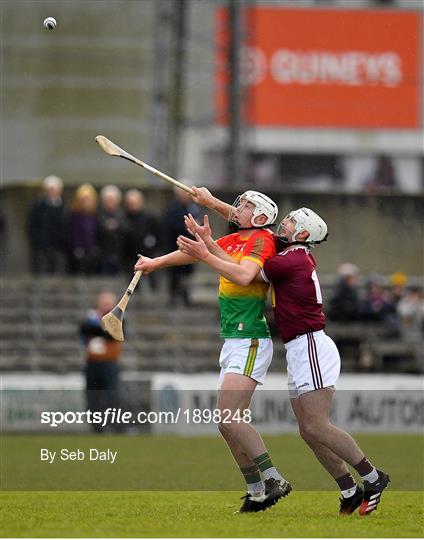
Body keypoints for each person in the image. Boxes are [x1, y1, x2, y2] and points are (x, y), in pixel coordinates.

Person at [178, 206, 390, 516]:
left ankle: (373, 477)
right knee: (308, 430)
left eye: (290, 222)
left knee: (317, 425)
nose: (283, 225)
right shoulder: (292, 256)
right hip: (298, 349)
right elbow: (241, 255)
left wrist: (207, 250)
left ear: (303, 234)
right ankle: (348, 489)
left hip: (311, 347)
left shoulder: (290, 260)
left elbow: (242, 272)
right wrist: (210, 239)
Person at [135, 189, 291, 512]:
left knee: (228, 416)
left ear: (261, 217)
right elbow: (193, 254)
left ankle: (274, 477)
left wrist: (208, 249)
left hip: (250, 338)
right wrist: (156, 262)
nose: (238, 209)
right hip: (232, 339)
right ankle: (257, 490)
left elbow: (245, 275)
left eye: (246, 206)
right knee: (225, 423)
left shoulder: (263, 240)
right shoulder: (234, 239)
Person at [80, 291, 123, 433]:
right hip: (92, 363)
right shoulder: (90, 317)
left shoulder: (119, 318)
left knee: (112, 395)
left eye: (109, 304)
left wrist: (99, 331)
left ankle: (115, 426)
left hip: (110, 363)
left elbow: (112, 336)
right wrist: (103, 330)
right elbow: (85, 329)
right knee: (93, 396)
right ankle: (96, 427)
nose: (106, 307)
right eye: (104, 303)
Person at [163, 188, 201, 306]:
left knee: (187, 275)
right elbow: (171, 226)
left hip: (191, 245)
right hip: (176, 245)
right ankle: (173, 296)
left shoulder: (193, 208)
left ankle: (186, 296)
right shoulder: (172, 209)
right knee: (174, 273)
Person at [27, 175, 66, 274]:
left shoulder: (62, 206)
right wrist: (35, 239)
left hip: (57, 243)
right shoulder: (38, 205)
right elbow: (32, 224)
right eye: (51, 189)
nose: (53, 192)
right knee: (40, 267)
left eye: (55, 189)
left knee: (55, 267)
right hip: (41, 242)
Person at [123, 189, 161, 290]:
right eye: (131, 203)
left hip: (149, 255)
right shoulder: (124, 218)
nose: (133, 205)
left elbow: (159, 236)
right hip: (130, 257)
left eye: (135, 202)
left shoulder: (150, 218)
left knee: (153, 283)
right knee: (132, 286)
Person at [66, 184, 99, 274]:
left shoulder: (95, 215)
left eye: (89, 200)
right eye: (84, 200)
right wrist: (77, 246)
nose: (86, 203)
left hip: (92, 250)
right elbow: (73, 233)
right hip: (77, 251)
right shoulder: (74, 215)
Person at [96, 185, 126, 275]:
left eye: (112, 199)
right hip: (102, 255)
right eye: (107, 200)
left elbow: (126, 231)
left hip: (119, 254)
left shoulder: (122, 214)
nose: (110, 202)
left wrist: (118, 226)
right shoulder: (98, 214)